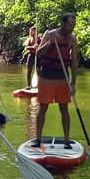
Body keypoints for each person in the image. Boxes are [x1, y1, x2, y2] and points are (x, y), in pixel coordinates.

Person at [32, 13, 78, 148]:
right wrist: (49, 44)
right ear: (62, 24)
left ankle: (66, 139)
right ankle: (38, 138)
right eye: (70, 24)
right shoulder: (50, 34)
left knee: (64, 108)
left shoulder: (72, 39)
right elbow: (39, 53)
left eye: (73, 24)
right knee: (43, 107)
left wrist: (73, 83)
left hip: (62, 77)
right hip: (47, 76)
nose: (72, 27)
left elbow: (74, 62)